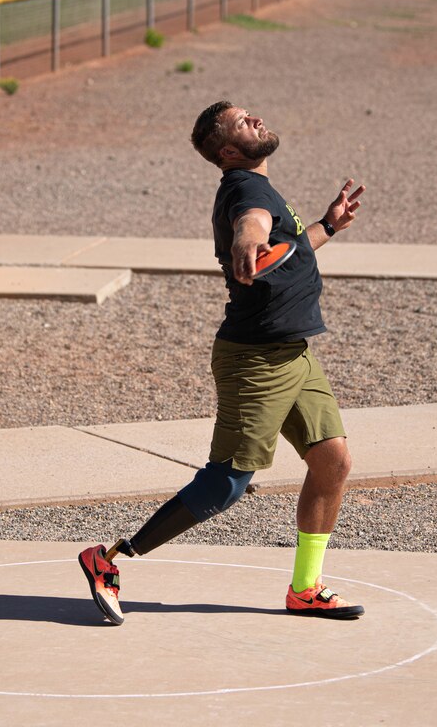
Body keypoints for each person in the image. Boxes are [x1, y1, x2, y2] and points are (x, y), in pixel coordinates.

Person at [78, 101, 367, 625]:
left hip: (294, 353)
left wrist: (326, 225)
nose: (257, 118)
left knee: (332, 462)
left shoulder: (258, 184)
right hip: (256, 361)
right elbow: (251, 230)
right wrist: (248, 242)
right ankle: (109, 560)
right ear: (230, 151)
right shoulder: (245, 190)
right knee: (227, 482)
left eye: (251, 112)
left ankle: (305, 589)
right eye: (243, 122)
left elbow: (290, 250)